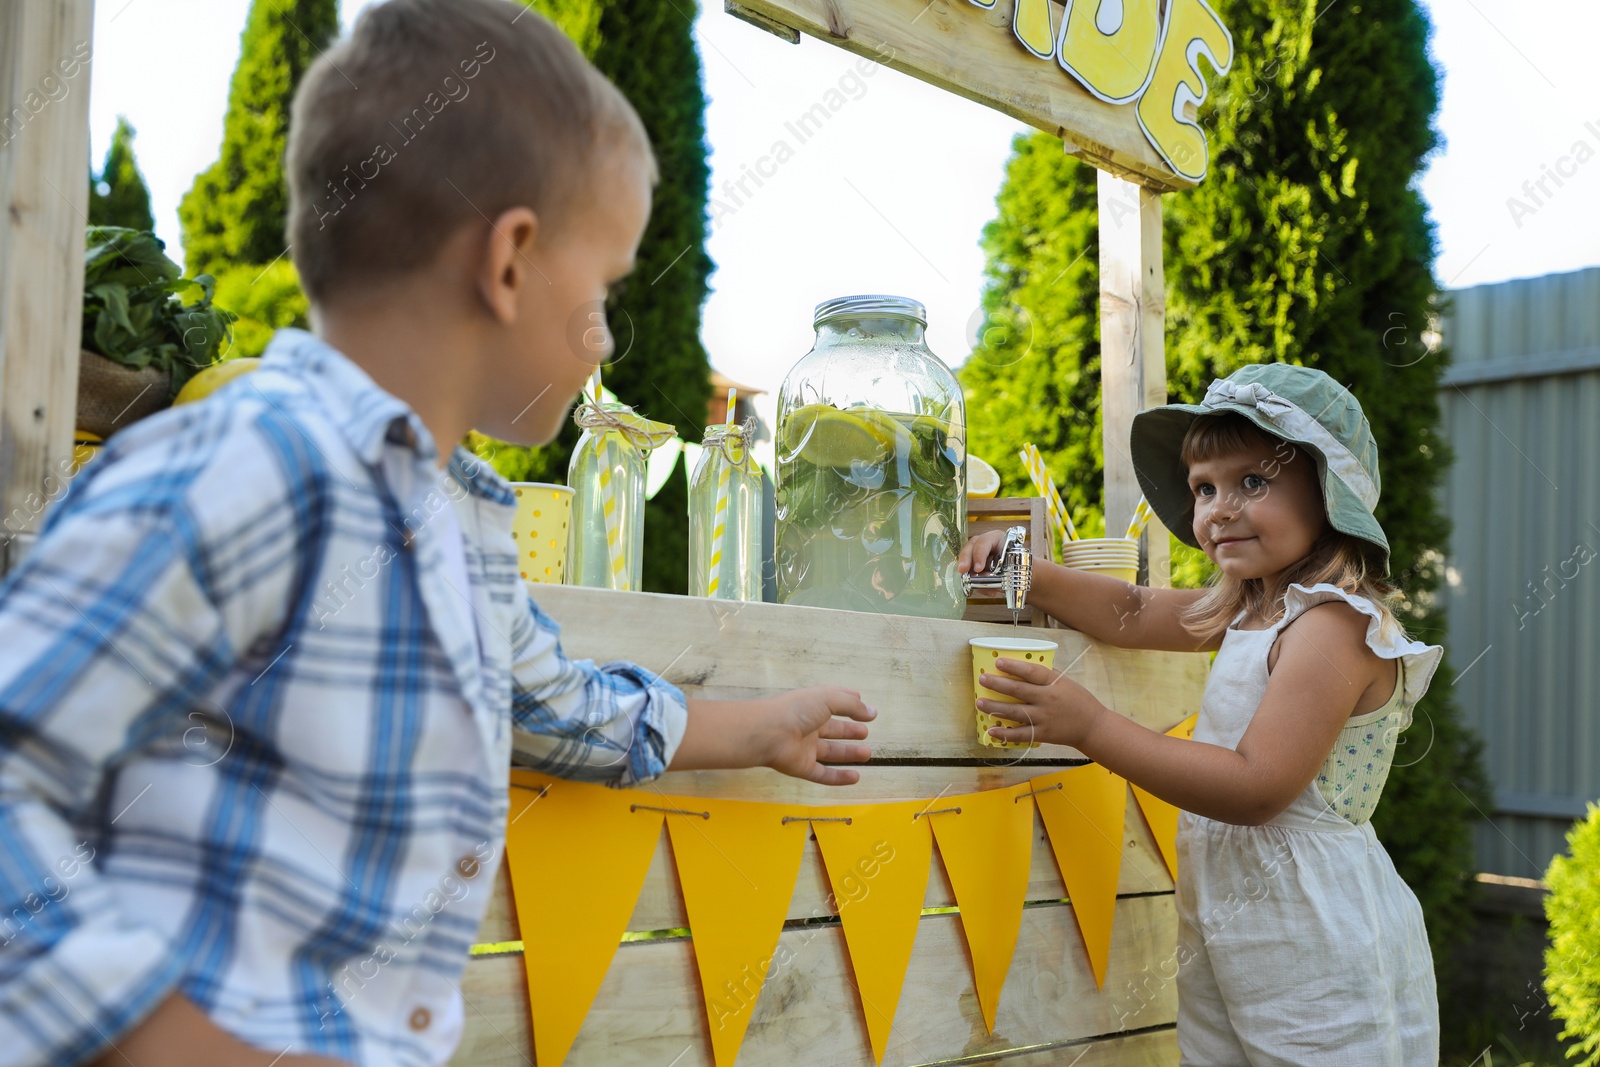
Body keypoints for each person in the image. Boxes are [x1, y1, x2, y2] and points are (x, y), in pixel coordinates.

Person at [0, 3, 875, 1065]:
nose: (605, 331)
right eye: (601, 285)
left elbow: (553, 705)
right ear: (508, 260)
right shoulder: (243, 467)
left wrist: (762, 728)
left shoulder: (461, 522)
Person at [958, 363, 1442, 1064]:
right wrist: (1025, 570)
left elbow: (1255, 786)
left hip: (1319, 940)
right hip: (1227, 922)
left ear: (1329, 493)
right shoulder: (1250, 609)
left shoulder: (1332, 627)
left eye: (1252, 481)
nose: (1218, 508)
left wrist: (1090, 725)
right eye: (1203, 488)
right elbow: (1127, 613)